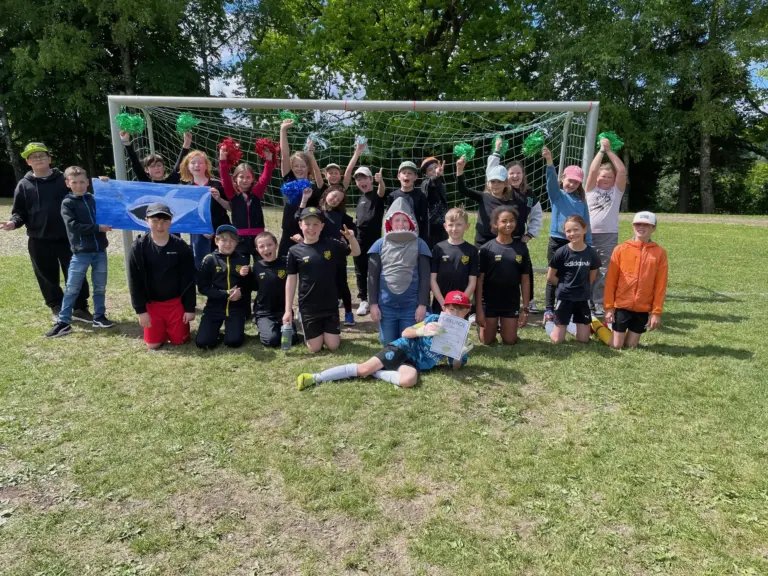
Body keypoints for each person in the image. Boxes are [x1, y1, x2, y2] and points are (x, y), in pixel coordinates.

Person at [296, 290, 473, 390]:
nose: (454, 314)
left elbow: (455, 367)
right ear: (444, 308)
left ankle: (377, 373)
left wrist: (459, 352)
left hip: (414, 363)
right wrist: (423, 331)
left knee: (409, 381)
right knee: (363, 368)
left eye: (459, 310)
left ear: (466, 311)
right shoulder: (434, 319)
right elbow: (405, 333)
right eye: (451, 309)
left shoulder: (461, 333)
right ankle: (315, 377)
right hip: (402, 348)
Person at [1, 142, 92, 322]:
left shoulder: (64, 180)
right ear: (28, 162)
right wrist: (13, 223)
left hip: (68, 238)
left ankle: (80, 307)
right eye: (34, 157)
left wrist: (102, 183)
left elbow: (82, 191)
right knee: (46, 275)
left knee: (76, 273)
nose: (39, 159)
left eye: (42, 155)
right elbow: (19, 212)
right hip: (39, 239)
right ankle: (56, 307)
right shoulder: (24, 185)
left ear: (49, 159)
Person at [46, 168, 114, 338]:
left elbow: (113, 202)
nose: (78, 185)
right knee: (72, 288)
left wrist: (107, 184)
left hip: (100, 251)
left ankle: (99, 316)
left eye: (82, 182)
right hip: (81, 253)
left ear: (88, 182)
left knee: (99, 287)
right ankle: (64, 321)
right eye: (74, 182)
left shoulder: (92, 199)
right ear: (68, 183)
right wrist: (97, 228)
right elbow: (73, 226)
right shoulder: (67, 203)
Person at [283, 207, 361, 353]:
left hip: (330, 305)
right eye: (307, 224)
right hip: (308, 306)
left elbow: (356, 252)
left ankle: (327, 332)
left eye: (316, 224)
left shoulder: (331, 244)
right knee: (315, 348)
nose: (311, 228)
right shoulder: (294, 251)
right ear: (300, 225)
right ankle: (309, 329)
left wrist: (351, 238)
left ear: (322, 226)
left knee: (333, 346)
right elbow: (291, 280)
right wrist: (288, 310)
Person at [128, 203, 196, 349]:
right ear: (146, 220)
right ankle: (159, 329)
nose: (160, 226)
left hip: (175, 303)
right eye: (155, 221)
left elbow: (189, 278)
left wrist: (190, 308)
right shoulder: (138, 247)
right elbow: (135, 282)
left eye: (165, 221)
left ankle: (173, 328)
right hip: (152, 305)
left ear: (171, 222)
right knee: (153, 345)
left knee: (180, 341)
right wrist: (141, 311)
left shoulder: (180, 247)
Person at [486, 139, 544, 313]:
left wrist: (530, 234)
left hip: (518, 239)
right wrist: (496, 151)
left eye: (518, 173)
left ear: (523, 175)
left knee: (525, 269)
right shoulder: (501, 192)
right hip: (500, 238)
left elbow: (537, 215)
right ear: (506, 176)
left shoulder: (529, 194)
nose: (515, 176)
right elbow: (491, 171)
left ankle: (530, 300)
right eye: (512, 173)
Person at [368, 197, 432, 345]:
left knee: (408, 342)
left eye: (404, 220)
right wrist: (373, 304)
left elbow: (424, 278)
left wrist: (422, 305)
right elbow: (372, 278)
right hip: (386, 306)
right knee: (388, 343)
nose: (401, 224)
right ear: (390, 222)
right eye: (397, 220)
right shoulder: (379, 245)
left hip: (411, 306)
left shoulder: (420, 244)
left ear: (411, 222)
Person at [293, 184, 358, 326]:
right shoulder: (315, 212)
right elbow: (298, 217)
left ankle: (348, 313)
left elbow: (352, 227)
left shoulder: (340, 215)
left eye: (339, 199)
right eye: (334, 196)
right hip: (318, 254)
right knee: (318, 283)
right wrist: (304, 199)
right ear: (326, 193)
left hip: (337, 255)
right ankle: (310, 311)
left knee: (342, 284)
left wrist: (348, 238)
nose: (335, 200)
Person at [542, 146, 592, 324]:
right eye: (569, 181)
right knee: (552, 276)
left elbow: (586, 223)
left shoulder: (581, 201)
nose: (572, 185)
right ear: (563, 179)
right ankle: (548, 309)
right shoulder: (557, 196)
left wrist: (589, 243)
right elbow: (551, 182)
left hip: (576, 244)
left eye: (576, 182)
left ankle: (564, 308)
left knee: (568, 276)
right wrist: (549, 161)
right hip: (557, 241)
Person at [604, 211, 668, 349]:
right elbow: (610, 281)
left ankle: (624, 335)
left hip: (642, 308)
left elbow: (660, 285)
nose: (641, 227)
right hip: (622, 305)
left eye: (646, 224)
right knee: (616, 345)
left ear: (653, 228)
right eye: (638, 224)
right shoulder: (620, 249)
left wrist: (656, 313)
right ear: (633, 226)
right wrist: (609, 308)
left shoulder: (659, 252)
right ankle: (599, 328)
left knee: (631, 346)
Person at [476, 206, 531, 345]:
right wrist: (478, 310)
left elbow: (525, 279)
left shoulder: (521, 248)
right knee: (486, 341)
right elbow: (479, 280)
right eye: (504, 221)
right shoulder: (486, 249)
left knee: (510, 340)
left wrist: (525, 308)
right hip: (489, 302)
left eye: (512, 220)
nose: (508, 224)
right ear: (495, 224)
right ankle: (490, 326)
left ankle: (504, 326)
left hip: (510, 301)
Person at [585, 137, 628, 316]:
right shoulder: (590, 189)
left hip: (608, 235)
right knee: (585, 267)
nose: (606, 179)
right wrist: (601, 151)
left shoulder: (616, 191)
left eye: (610, 177)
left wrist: (609, 150)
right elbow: (593, 170)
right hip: (587, 235)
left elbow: (622, 171)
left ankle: (599, 302)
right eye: (603, 176)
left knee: (603, 270)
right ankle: (585, 300)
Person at [546, 215, 600, 344]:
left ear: (585, 229)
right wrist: (563, 286)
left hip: (582, 298)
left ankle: (570, 326)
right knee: (558, 340)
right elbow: (550, 276)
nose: (572, 233)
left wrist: (581, 288)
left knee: (583, 340)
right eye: (568, 231)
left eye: (576, 229)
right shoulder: (561, 252)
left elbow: (592, 277)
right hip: (565, 297)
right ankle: (549, 325)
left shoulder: (591, 253)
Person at [195, 225, 251, 349]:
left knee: (234, 341)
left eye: (232, 240)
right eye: (224, 240)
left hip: (235, 308)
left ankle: (232, 330)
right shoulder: (209, 260)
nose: (228, 244)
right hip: (214, 307)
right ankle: (214, 332)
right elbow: (203, 288)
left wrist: (241, 289)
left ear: (236, 243)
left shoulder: (242, 259)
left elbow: (248, 286)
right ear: (216, 241)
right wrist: (225, 293)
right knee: (203, 343)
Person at [240, 231, 299, 347]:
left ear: (276, 245)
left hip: (283, 311)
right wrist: (244, 276)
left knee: (292, 339)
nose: (266, 249)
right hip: (264, 312)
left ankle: (280, 326)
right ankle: (264, 326)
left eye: (269, 245)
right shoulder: (257, 266)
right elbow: (253, 287)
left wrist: (301, 243)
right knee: (272, 340)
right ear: (257, 250)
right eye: (262, 246)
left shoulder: (285, 263)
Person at [278, 118, 325, 261]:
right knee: (284, 268)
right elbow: (285, 155)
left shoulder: (314, 186)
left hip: (307, 231)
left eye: (303, 166)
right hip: (288, 229)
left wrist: (311, 155)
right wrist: (283, 130)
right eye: (296, 166)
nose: (299, 169)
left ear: (308, 168)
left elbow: (319, 179)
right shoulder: (288, 179)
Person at [218, 144, 276, 258]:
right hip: (239, 239)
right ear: (235, 178)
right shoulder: (232, 193)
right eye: (241, 177)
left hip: (258, 238)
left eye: (248, 177)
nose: (244, 180)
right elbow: (224, 177)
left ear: (253, 179)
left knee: (260, 267)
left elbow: (265, 178)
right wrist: (222, 159)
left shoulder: (256, 193)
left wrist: (269, 160)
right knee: (241, 269)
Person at [179, 150, 231, 268]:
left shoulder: (218, 185)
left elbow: (231, 208)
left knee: (223, 266)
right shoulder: (186, 190)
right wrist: (201, 229)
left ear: (206, 165)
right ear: (187, 166)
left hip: (221, 231)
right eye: (193, 163)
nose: (197, 165)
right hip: (198, 234)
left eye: (200, 162)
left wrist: (219, 199)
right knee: (202, 267)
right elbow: (186, 216)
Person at [456, 155, 516, 248]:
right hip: (482, 243)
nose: (496, 185)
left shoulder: (510, 202)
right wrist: (459, 170)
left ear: (505, 183)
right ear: (488, 183)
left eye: (499, 182)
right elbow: (462, 189)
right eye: (493, 181)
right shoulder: (483, 197)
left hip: (501, 243)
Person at [351, 166, 387, 317]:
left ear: (371, 179)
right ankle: (364, 299)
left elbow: (381, 192)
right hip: (359, 240)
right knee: (360, 271)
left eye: (364, 178)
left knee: (374, 271)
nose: (361, 182)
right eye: (358, 179)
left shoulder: (376, 195)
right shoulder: (360, 199)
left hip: (374, 241)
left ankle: (375, 299)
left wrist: (381, 182)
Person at [430, 207, 478, 314]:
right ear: (445, 226)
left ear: (467, 226)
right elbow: (433, 280)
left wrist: (461, 303)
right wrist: (444, 303)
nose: (454, 228)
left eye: (459, 224)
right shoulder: (438, 248)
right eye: (451, 225)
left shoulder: (472, 251)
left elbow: (472, 282)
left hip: (461, 306)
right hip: (441, 305)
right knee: (437, 331)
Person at [119, 130, 192, 184]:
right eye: (152, 166)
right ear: (146, 170)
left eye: (159, 165)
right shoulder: (146, 182)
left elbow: (179, 166)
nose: (156, 168)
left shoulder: (171, 181)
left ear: (164, 167)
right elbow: (135, 164)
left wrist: (186, 145)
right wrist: (126, 142)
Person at [386, 161, 429, 244]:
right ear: (398, 176)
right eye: (404, 173)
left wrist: (424, 240)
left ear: (415, 177)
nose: (406, 175)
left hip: (415, 237)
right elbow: (388, 219)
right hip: (396, 237)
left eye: (410, 173)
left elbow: (425, 220)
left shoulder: (421, 196)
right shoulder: (392, 196)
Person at [421, 157, 448, 248]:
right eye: (430, 169)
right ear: (425, 174)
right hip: (430, 228)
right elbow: (430, 185)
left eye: (435, 167)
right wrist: (436, 176)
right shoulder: (425, 184)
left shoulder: (441, 185)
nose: (434, 170)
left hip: (442, 225)